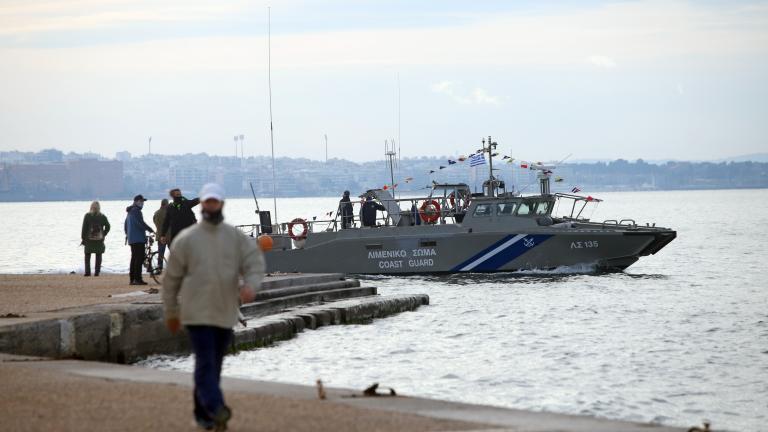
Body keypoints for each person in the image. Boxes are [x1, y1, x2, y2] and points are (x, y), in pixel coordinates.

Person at [162, 183, 265, 431]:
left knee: (214, 365)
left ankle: (202, 414)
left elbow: (254, 261)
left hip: (225, 311)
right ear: (202, 205)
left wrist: (251, 285)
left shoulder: (235, 237)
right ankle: (217, 408)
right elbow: (171, 278)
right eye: (207, 201)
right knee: (205, 361)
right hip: (195, 312)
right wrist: (171, 311)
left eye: (214, 201)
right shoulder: (187, 239)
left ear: (221, 204)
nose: (210, 205)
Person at [124, 194, 154, 285]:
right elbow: (141, 223)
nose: (142, 203)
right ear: (136, 201)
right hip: (138, 239)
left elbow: (125, 225)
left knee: (134, 258)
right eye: (141, 201)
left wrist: (128, 234)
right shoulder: (136, 211)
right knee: (139, 259)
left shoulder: (130, 211)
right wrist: (150, 229)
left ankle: (132, 279)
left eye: (143, 202)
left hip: (132, 238)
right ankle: (138, 279)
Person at [81, 201, 110, 276]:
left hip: (89, 240)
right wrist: (103, 234)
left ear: (91, 207)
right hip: (99, 240)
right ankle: (97, 272)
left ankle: (87, 272)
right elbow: (108, 226)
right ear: (99, 208)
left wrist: (83, 238)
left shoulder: (87, 216)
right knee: (98, 255)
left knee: (87, 255)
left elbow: (84, 228)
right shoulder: (102, 216)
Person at [153, 199, 169, 272]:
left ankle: (159, 268)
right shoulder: (168, 213)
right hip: (168, 236)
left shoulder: (156, 213)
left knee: (160, 253)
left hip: (159, 236)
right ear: (166, 204)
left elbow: (155, 222)